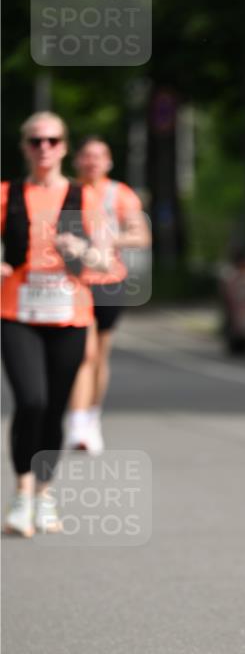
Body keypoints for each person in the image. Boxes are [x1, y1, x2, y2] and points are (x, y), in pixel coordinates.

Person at [1, 112, 111, 536]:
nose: (43, 148)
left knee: (53, 408)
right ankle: (22, 493)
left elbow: (106, 260)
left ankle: (44, 493)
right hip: (17, 312)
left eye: (51, 140)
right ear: (25, 147)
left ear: (64, 146)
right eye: (35, 141)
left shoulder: (83, 198)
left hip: (69, 314)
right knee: (30, 400)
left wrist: (82, 250)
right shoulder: (7, 193)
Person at [64, 136, 150, 455]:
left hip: (110, 280)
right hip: (76, 282)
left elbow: (141, 236)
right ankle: (77, 421)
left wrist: (111, 239)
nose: (92, 162)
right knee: (83, 354)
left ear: (109, 162)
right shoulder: (67, 191)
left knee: (100, 354)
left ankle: (92, 415)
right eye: (86, 156)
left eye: (99, 156)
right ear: (77, 161)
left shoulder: (120, 194)